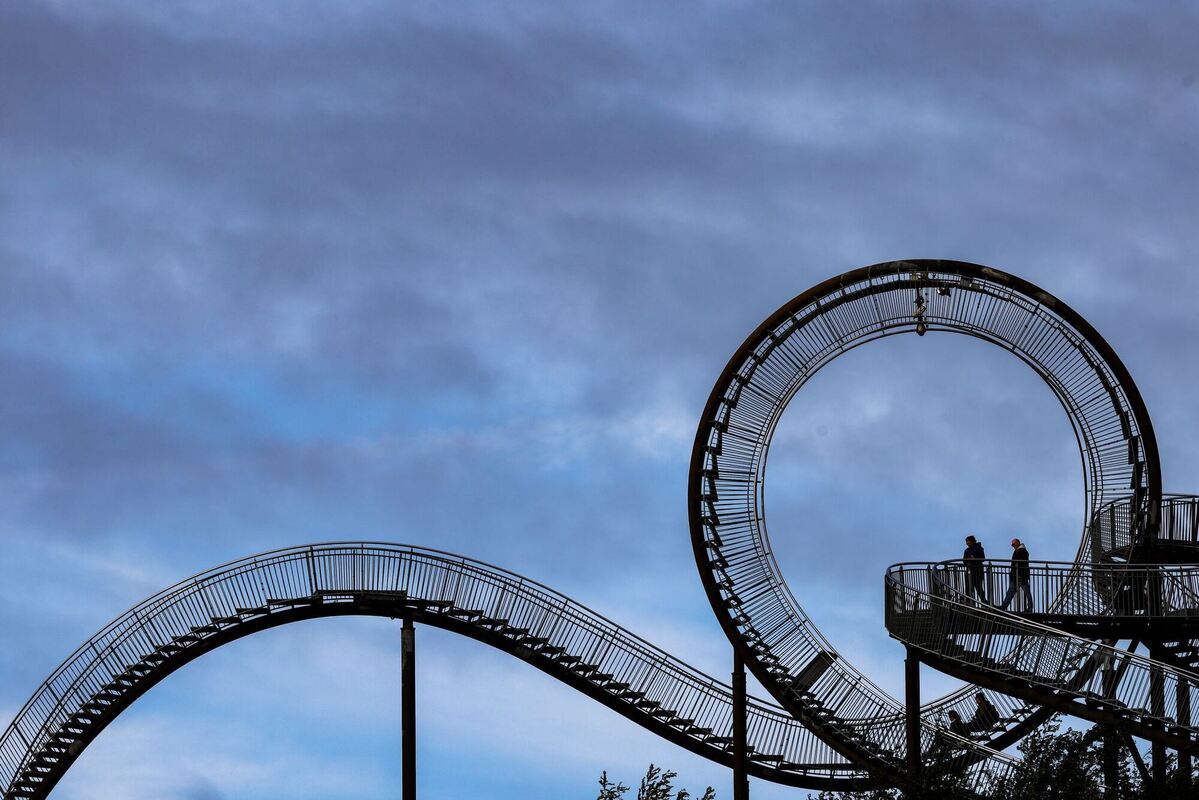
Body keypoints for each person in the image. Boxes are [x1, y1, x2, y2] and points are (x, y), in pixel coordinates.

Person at [999, 538, 1034, 612]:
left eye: (1013, 544)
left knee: (1023, 592)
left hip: (1020, 575)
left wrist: (1019, 575)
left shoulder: (1021, 551)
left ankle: (1004, 606)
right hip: (1018, 575)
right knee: (1014, 592)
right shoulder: (1020, 550)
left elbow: (1020, 563)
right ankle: (1004, 606)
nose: (1012, 546)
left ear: (1018, 543)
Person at [963, 535, 988, 604]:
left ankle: (984, 603)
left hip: (977, 571)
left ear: (972, 541)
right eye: (966, 541)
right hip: (969, 571)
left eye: (968, 541)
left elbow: (983, 558)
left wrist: (974, 559)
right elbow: (964, 561)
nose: (967, 543)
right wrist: (968, 560)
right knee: (968, 588)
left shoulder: (979, 548)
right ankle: (969, 602)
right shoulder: (966, 550)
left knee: (978, 587)